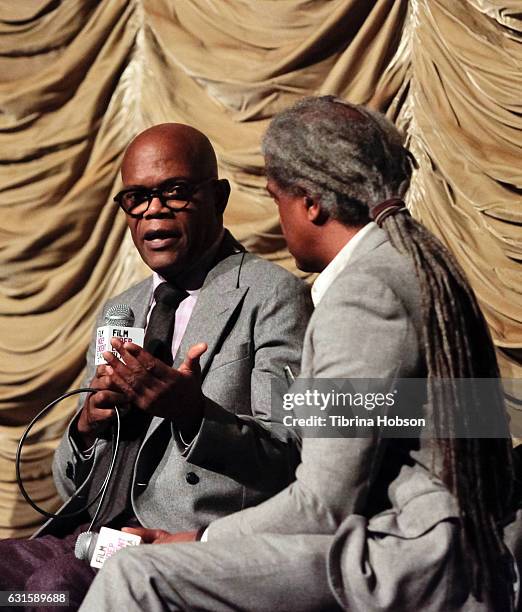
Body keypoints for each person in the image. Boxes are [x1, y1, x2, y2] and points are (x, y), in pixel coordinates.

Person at [80, 97, 521, 612]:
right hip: (423, 537)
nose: (277, 218)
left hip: (407, 556)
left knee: (137, 575)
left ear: (310, 201)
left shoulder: (365, 293)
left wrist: (193, 543)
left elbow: (320, 505)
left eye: (276, 198)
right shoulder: (410, 261)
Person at [0, 123, 312, 608]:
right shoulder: (119, 311)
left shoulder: (271, 296)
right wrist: (86, 427)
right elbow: (67, 486)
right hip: (93, 535)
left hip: (184, 545)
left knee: (49, 594)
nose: (154, 210)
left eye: (175, 192)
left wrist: (193, 414)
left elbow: (289, 459)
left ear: (219, 197)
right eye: (137, 198)